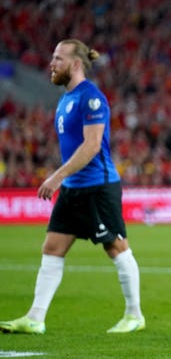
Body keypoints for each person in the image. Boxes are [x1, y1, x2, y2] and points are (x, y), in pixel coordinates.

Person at [0, 39, 145, 335]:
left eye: (58, 58)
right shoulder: (65, 99)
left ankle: (135, 315)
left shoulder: (91, 98)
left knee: (116, 246)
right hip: (74, 188)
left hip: (98, 187)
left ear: (76, 64)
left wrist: (56, 177)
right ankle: (35, 317)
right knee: (52, 247)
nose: (51, 64)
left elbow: (92, 146)